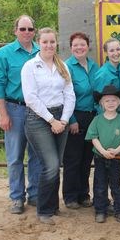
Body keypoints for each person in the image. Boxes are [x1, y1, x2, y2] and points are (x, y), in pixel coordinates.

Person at [21, 27, 75, 225]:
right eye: (45, 42)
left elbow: (69, 94)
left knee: (56, 164)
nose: (49, 45)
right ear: (39, 42)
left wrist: (64, 120)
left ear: (56, 43)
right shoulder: (30, 66)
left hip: (61, 116)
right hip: (38, 118)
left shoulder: (62, 66)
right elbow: (31, 98)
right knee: (50, 165)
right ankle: (43, 210)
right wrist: (51, 120)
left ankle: (53, 206)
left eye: (52, 42)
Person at [0, 15, 42, 214]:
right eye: (23, 29)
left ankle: (35, 194)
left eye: (30, 29)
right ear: (15, 31)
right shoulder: (3, 54)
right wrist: (3, 114)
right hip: (15, 108)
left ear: (34, 31)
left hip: (38, 110)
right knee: (15, 156)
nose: (27, 32)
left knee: (37, 155)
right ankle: (17, 197)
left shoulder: (42, 52)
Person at [85, 85, 120, 224]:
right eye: (107, 101)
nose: (111, 103)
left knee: (116, 185)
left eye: (114, 100)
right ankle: (100, 210)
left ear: (119, 103)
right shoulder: (97, 120)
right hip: (100, 158)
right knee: (100, 185)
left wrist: (117, 150)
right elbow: (93, 138)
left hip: (116, 158)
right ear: (101, 104)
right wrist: (103, 151)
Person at [62, 32, 99, 209]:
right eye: (75, 45)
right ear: (71, 48)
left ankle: (84, 194)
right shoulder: (66, 67)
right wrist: (71, 120)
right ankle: (70, 196)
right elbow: (63, 96)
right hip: (75, 116)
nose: (79, 48)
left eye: (82, 44)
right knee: (73, 159)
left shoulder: (94, 66)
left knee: (86, 159)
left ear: (88, 46)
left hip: (92, 117)